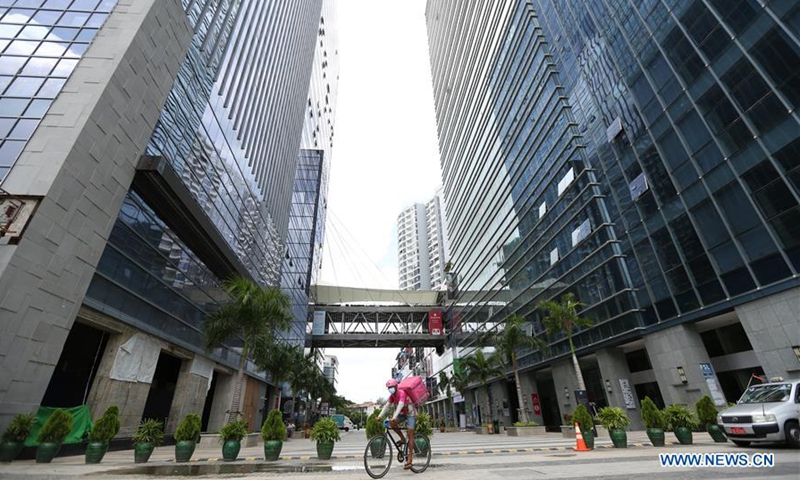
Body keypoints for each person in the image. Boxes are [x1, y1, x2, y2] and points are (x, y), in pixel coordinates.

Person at [377, 378, 416, 469]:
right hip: (402, 414)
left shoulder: (402, 393)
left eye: (391, 387)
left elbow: (400, 405)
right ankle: (402, 439)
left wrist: (394, 417)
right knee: (392, 424)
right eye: (389, 388)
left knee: (410, 434)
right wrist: (379, 416)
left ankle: (410, 459)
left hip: (410, 413)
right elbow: (386, 406)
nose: (390, 389)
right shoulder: (392, 396)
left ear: (396, 386)